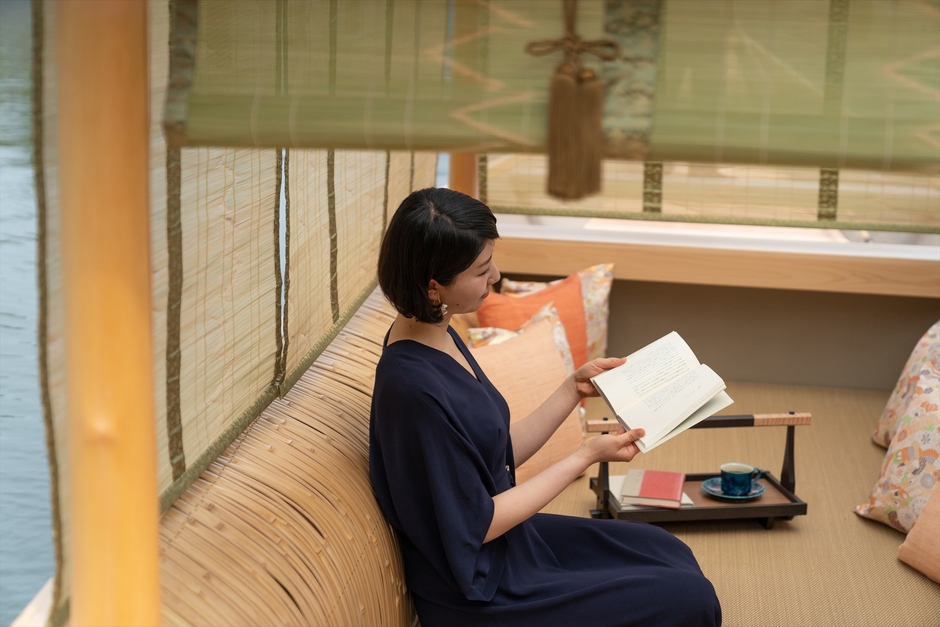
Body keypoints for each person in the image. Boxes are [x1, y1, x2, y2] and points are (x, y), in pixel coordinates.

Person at [369, 188, 721, 627]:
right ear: (433, 286)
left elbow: (494, 456)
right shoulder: (412, 391)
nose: (496, 275)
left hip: (511, 545)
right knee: (689, 598)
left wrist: (572, 389)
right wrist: (585, 456)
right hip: (482, 588)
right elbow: (479, 524)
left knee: (666, 549)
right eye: (481, 270)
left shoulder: (436, 328)